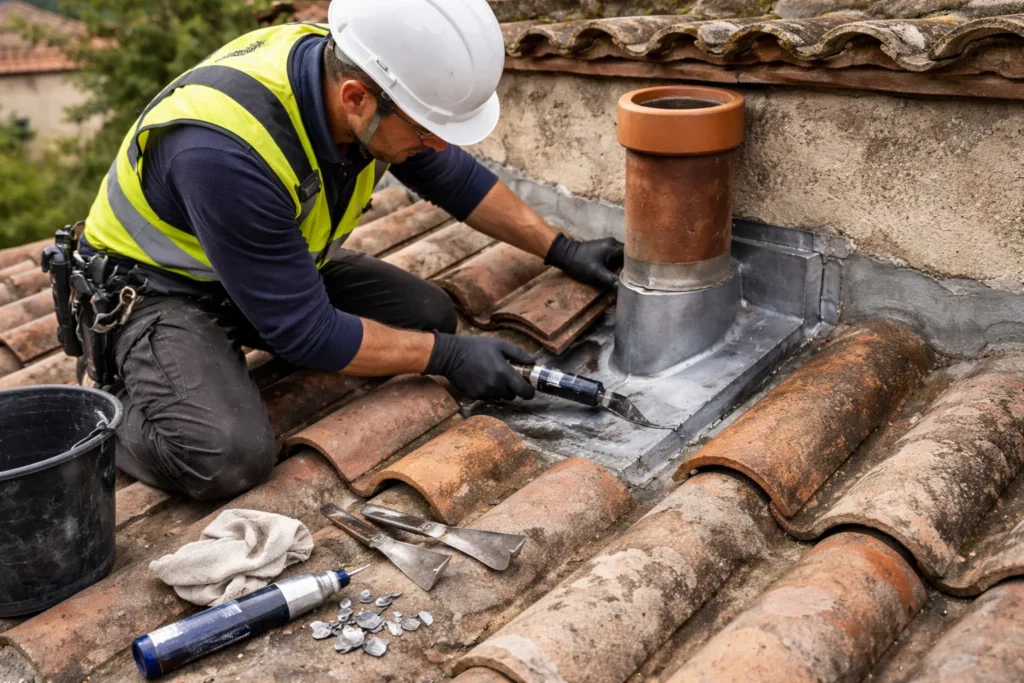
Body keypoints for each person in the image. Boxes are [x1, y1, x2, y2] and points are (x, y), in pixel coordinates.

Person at [75, 0, 622, 501]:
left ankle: (226, 345)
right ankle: (105, 407)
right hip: (155, 290)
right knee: (226, 458)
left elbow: (455, 180)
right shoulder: (221, 152)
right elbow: (305, 333)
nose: (437, 144)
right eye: (429, 131)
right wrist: (449, 358)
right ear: (355, 99)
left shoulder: (363, 80)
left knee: (427, 314)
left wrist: (564, 249)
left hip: (257, 265)